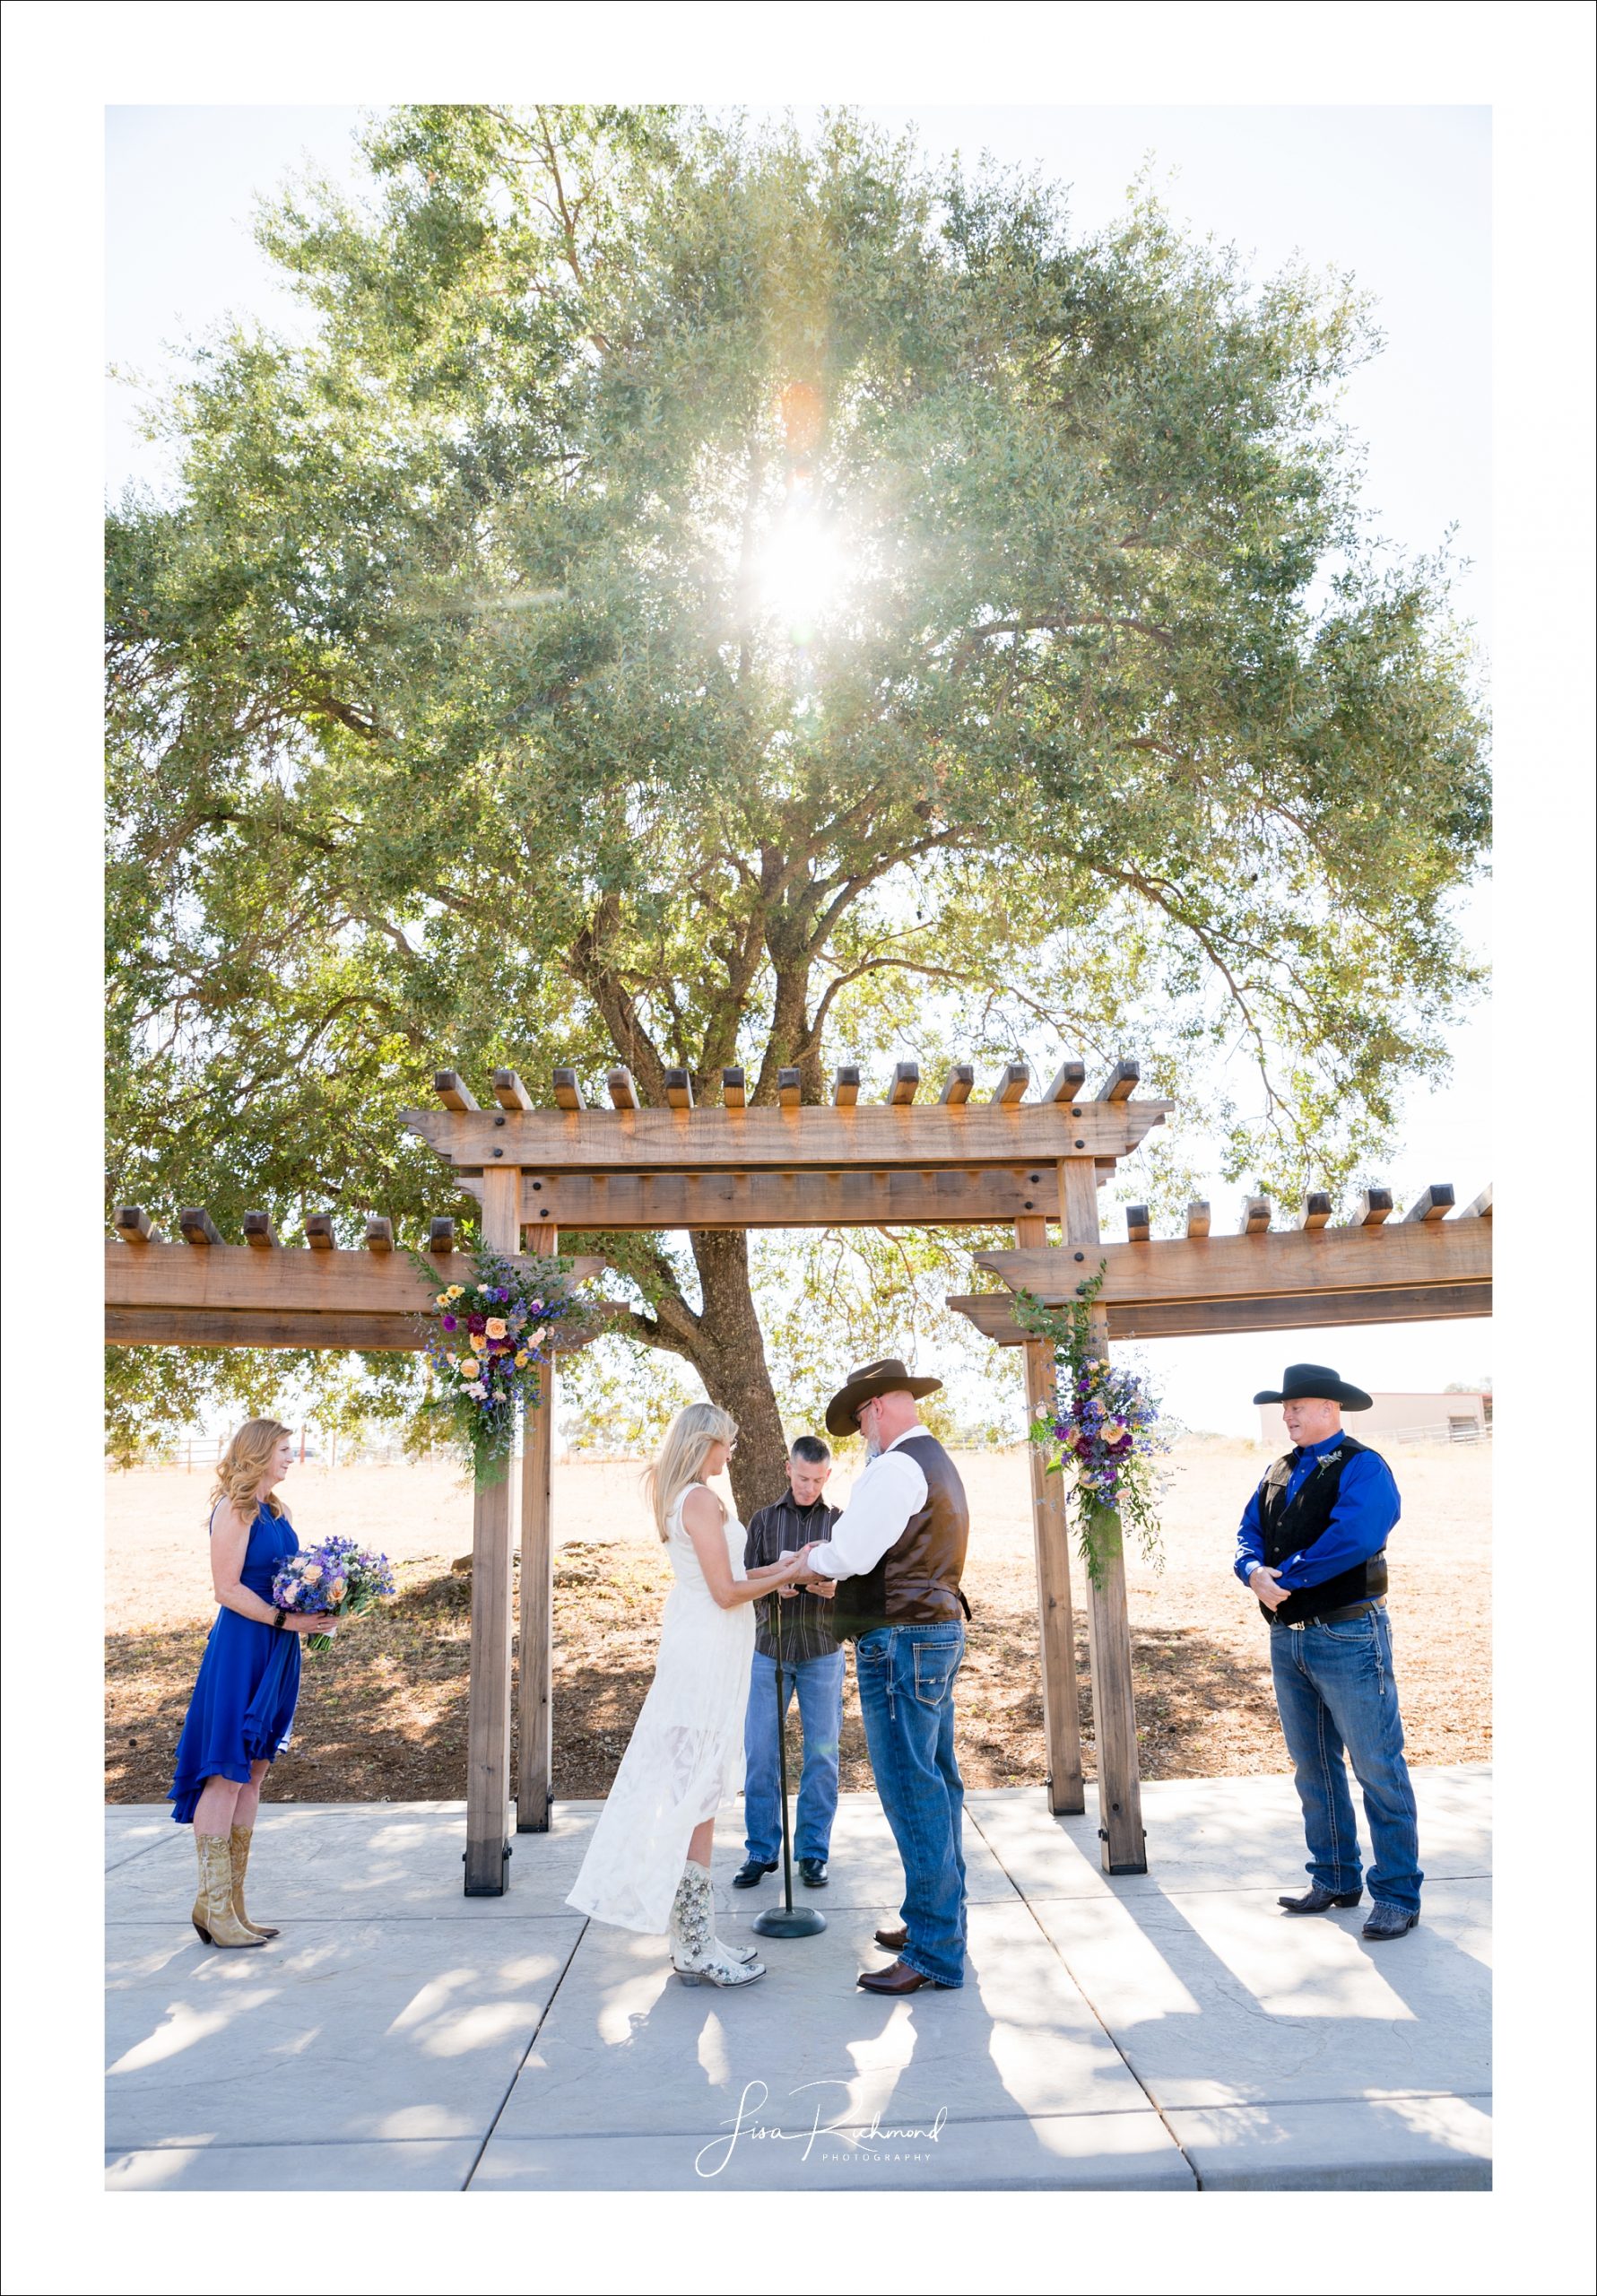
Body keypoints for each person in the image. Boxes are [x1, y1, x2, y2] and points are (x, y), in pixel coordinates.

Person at [566, 1402, 808, 1987]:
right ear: (704, 1443)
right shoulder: (699, 1499)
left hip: (708, 1650)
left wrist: (784, 1570)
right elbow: (726, 1592)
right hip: (702, 1657)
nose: (731, 1453)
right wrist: (791, 1572)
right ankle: (694, 1945)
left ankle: (695, 1937)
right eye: (726, 1443)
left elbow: (724, 1579)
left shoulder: (689, 1496)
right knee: (695, 1799)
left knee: (696, 1796)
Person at [794, 1358, 971, 1996]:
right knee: (937, 1784)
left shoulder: (895, 1465)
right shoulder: (933, 1460)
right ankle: (940, 1926)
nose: (862, 1431)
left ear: (875, 1410)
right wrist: (831, 1567)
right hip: (927, 1633)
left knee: (911, 1790)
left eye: (861, 1418)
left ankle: (931, 1951)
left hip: (899, 1641)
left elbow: (852, 1553)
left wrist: (804, 1559)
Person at [1237, 1363, 1424, 1942]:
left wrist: (1283, 1577)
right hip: (1288, 1637)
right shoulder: (1278, 1469)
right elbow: (1248, 1531)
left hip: (1348, 1634)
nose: (1288, 1414)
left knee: (1377, 1766)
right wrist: (1252, 1571)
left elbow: (1356, 1537)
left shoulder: (1363, 1467)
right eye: (1285, 1406)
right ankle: (1336, 1878)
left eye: (1300, 1404)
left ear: (1331, 1409)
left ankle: (1396, 1894)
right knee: (1313, 1765)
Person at [169, 1417, 331, 1948]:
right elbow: (226, 1589)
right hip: (242, 1648)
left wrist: (322, 1602)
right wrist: (289, 1621)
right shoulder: (234, 1509)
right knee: (227, 1772)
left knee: (255, 1773)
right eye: (284, 1449)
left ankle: (228, 1907)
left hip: (277, 1649)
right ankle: (216, 1908)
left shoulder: (277, 1511)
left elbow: (285, 1580)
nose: (291, 1457)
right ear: (259, 1453)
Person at [733, 1434, 845, 1892]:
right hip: (768, 1652)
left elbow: (859, 1586)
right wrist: (773, 1585)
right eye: (802, 1478)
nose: (809, 1487)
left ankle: (813, 1854)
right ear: (787, 1469)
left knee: (822, 1756)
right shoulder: (761, 1521)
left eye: (817, 1480)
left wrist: (836, 1589)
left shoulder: (842, 1523)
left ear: (828, 1476)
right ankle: (761, 1850)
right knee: (761, 1753)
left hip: (822, 1652)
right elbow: (741, 1583)